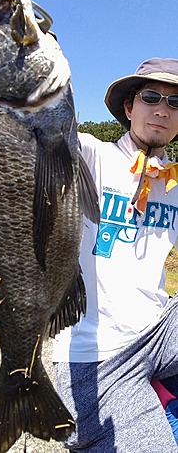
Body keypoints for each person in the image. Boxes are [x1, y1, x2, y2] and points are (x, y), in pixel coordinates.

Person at [53, 57, 178, 452]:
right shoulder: (92, 156)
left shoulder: (173, 182)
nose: (162, 109)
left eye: (176, 103)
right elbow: (45, 131)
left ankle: (159, 392)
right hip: (97, 355)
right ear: (129, 108)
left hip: (161, 329)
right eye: (151, 97)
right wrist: (43, 65)